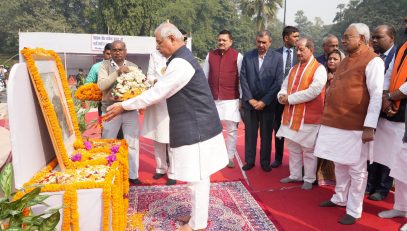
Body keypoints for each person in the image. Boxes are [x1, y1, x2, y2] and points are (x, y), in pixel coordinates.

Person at [103, 22, 228, 231]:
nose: (158, 47)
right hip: (196, 125)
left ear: (172, 39)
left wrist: (124, 105)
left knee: (198, 177)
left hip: (198, 128)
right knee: (195, 176)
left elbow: (157, 92)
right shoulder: (179, 59)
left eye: (159, 42)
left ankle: (197, 224)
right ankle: (198, 215)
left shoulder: (180, 63)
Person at [314, 23, 384, 225]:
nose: (343, 40)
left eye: (348, 37)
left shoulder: (373, 61)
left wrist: (370, 126)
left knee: (357, 169)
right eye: (343, 37)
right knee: (339, 163)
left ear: (361, 38)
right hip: (335, 122)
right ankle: (339, 197)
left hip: (356, 125)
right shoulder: (344, 61)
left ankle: (354, 210)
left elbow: (376, 95)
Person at [276, 37, 327, 190]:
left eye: (301, 49)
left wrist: (289, 99)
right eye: (297, 49)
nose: (298, 52)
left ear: (311, 50)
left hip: (309, 117)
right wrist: (281, 96)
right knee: (292, 147)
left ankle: (309, 179)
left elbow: (313, 91)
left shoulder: (319, 68)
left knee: (308, 150)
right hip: (291, 115)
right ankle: (295, 175)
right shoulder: (293, 69)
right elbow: (284, 86)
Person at [97, 40, 141, 185]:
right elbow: (102, 86)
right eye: (114, 50)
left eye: (120, 50)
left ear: (125, 51)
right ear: (111, 52)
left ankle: (132, 175)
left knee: (132, 143)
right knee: (108, 141)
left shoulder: (133, 67)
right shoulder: (104, 66)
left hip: (129, 110)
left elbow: (141, 86)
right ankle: (106, 173)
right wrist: (117, 72)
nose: (117, 52)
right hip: (110, 110)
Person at [240, 30, 284, 172]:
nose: (261, 45)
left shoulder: (277, 58)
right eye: (258, 42)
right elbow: (243, 79)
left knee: (266, 135)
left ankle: (265, 162)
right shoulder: (248, 56)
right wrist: (251, 99)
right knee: (250, 134)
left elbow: (278, 82)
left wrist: (264, 101)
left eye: (264, 42)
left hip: (268, 104)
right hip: (250, 103)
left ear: (270, 42)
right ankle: (250, 161)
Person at [377, 15, 407, 221]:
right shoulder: (403, 47)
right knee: (400, 164)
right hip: (396, 109)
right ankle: (401, 207)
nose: (405, 25)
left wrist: (392, 96)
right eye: (404, 21)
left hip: (403, 108)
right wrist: (386, 97)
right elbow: (389, 73)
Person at [203, 30, 243, 168]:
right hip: (213, 98)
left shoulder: (238, 56)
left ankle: (230, 157)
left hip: (231, 98)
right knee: (213, 129)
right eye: (219, 40)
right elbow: (204, 76)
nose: (221, 42)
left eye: (224, 40)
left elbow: (241, 80)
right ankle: (215, 156)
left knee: (231, 129)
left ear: (230, 42)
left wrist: (242, 99)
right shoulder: (210, 55)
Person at [367, 24, 398, 201]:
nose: (375, 40)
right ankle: (370, 184)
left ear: (391, 38)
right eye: (374, 37)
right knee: (373, 150)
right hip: (373, 112)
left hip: (393, 111)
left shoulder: (398, 55)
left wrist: (387, 101)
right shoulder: (372, 57)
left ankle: (382, 188)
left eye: (379, 37)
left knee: (388, 152)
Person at [142, 45, 177, 185]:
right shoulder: (154, 55)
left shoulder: (177, 55)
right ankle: (160, 168)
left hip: (173, 99)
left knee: (172, 139)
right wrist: (155, 81)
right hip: (157, 99)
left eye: (160, 41)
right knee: (157, 136)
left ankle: (173, 172)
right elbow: (149, 75)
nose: (158, 44)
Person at [273, 26, 299, 168]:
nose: (297, 39)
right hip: (277, 98)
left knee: (295, 129)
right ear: (286, 38)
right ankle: (278, 158)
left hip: (295, 98)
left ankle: (295, 162)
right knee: (277, 128)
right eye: (295, 36)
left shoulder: (300, 55)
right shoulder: (274, 54)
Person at [316, 49, 343, 186]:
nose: (331, 61)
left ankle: (332, 177)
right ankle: (318, 175)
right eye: (330, 59)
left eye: (335, 59)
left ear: (342, 61)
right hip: (320, 116)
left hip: (337, 119)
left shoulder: (344, 78)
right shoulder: (322, 76)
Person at [85, 43, 112, 116]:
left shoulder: (120, 67)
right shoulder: (96, 67)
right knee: (104, 125)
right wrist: (96, 93)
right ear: (103, 53)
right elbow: (88, 84)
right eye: (108, 54)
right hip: (103, 103)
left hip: (119, 104)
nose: (110, 56)